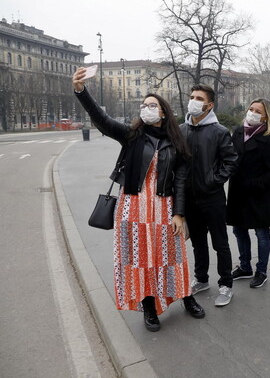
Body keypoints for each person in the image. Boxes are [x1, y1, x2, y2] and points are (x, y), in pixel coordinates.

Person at [72, 67, 205, 332]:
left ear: (163, 112)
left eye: (152, 105)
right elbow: (102, 119)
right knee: (139, 260)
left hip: (164, 207)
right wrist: (81, 91)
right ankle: (148, 307)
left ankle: (186, 297)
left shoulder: (175, 143)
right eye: (144, 105)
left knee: (173, 256)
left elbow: (180, 181)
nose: (147, 108)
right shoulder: (132, 136)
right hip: (132, 209)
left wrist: (179, 213)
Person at [179, 84, 237, 307]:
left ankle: (226, 284)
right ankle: (201, 278)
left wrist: (213, 181)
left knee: (220, 243)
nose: (193, 100)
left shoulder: (219, 131)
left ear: (209, 105)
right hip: (190, 198)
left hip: (212, 198)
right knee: (198, 242)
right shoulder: (182, 130)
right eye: (191, 96)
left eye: (198, 98)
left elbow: (230, 162)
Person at [227, 98, 270, 288]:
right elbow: (231, 158)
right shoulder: (239, 131)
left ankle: (261, 270)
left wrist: (254, 184)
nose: (252, 113)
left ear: (266, 116)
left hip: (258, 194)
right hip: (238, 193)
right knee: (239, 230)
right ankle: (244, 266)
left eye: (257, 111)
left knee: (261, 233)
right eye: (251, 109)